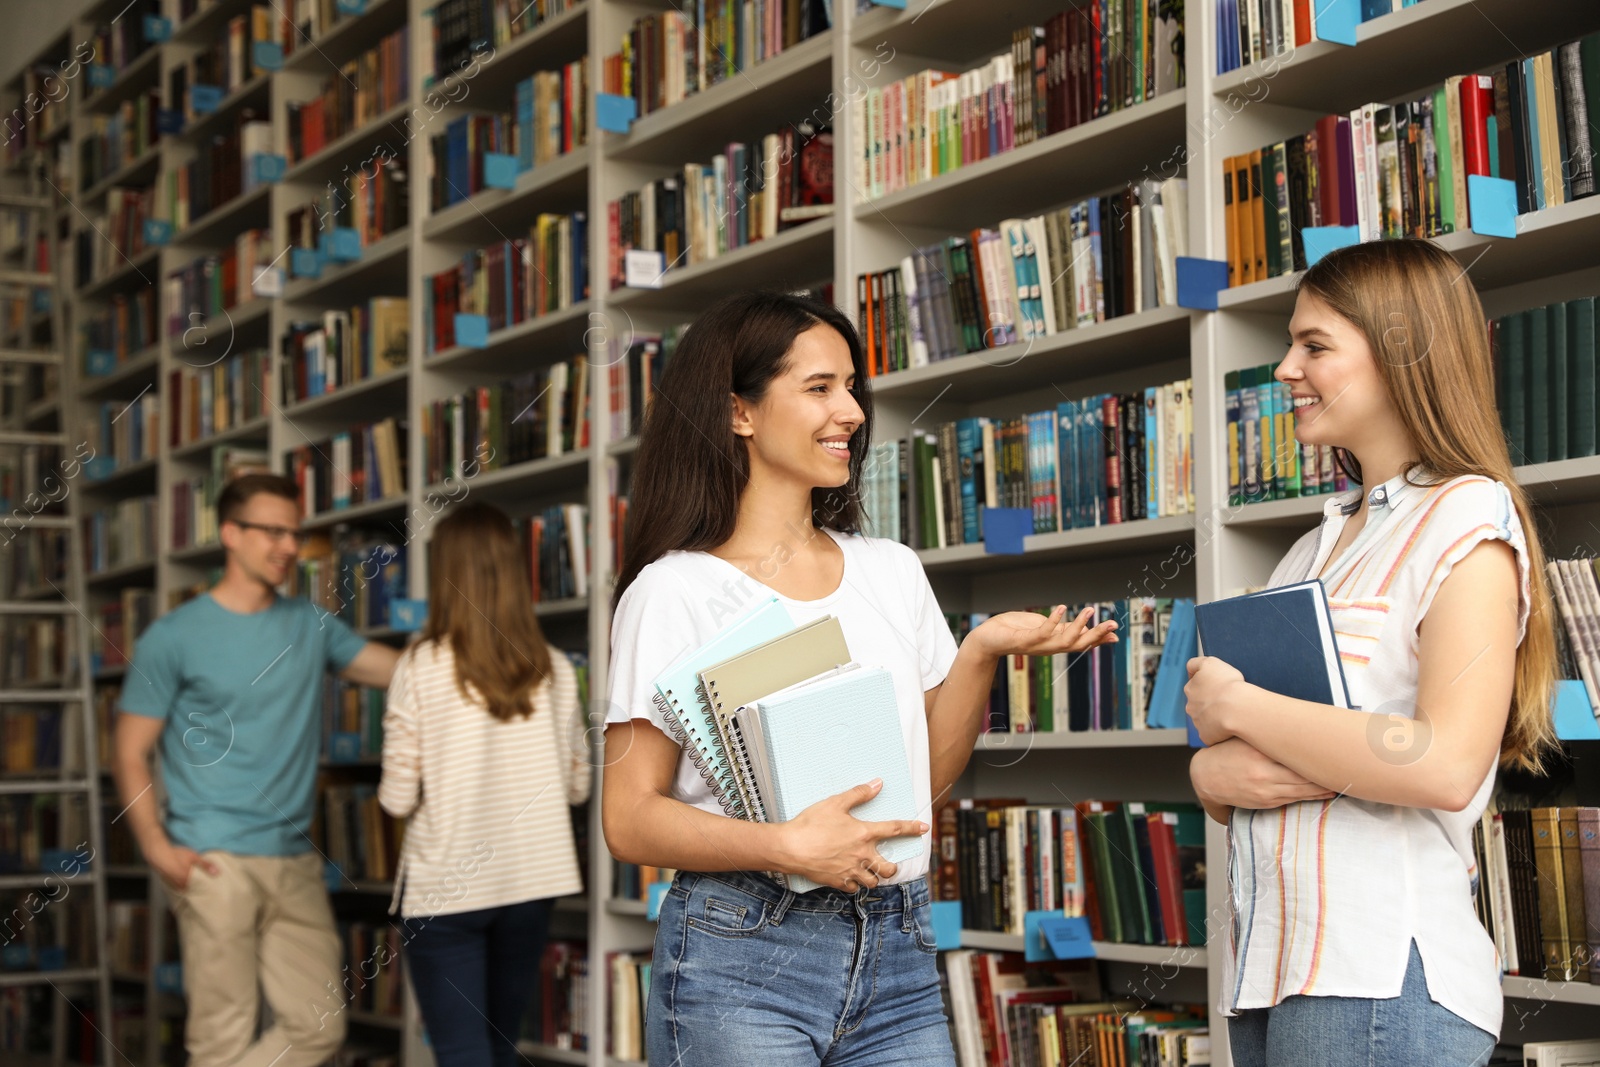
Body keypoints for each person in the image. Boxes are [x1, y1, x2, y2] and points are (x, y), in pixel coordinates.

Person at [602, 289, 1120, 1067]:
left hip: (897, 943)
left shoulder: (892, 569)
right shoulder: (673, 591)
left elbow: (917, 790)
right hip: (743, 948)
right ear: (739, 412)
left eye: (852, 387)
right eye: (819, 389)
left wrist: (980, 651)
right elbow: (629, 817)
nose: (850, 411)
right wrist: (786, 845)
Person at [1185, 238, 1559, 1067]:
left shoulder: (1467, 517)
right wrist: (1207, 778)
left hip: (1382, 981)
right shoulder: (1312, 548)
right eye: (1290, 342)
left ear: (1401, 355)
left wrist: (1242, 712)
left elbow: (1444, 765)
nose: (1284, 367)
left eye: (1315, 345)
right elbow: (1237, 764)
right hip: (1271, 972)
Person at [115, 473, 402, 1067]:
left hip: (294, 858)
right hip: (213, 859)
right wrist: (154, 845)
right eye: (272, 531)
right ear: (230, 533)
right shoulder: (173, 636)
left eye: (294, 533)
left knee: (318, 1027)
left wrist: (474, 653)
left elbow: (396, 671)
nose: (289, 547)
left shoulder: (310, 624)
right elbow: (128, 750)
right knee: (220, 1039)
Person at [378, 501, 590, 1067]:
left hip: (447, 889)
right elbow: (576, 788)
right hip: (530, 883)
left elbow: (396, 797)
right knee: (501, 1047)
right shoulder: (554, 667)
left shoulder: (419, 666)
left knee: (462, 1054)